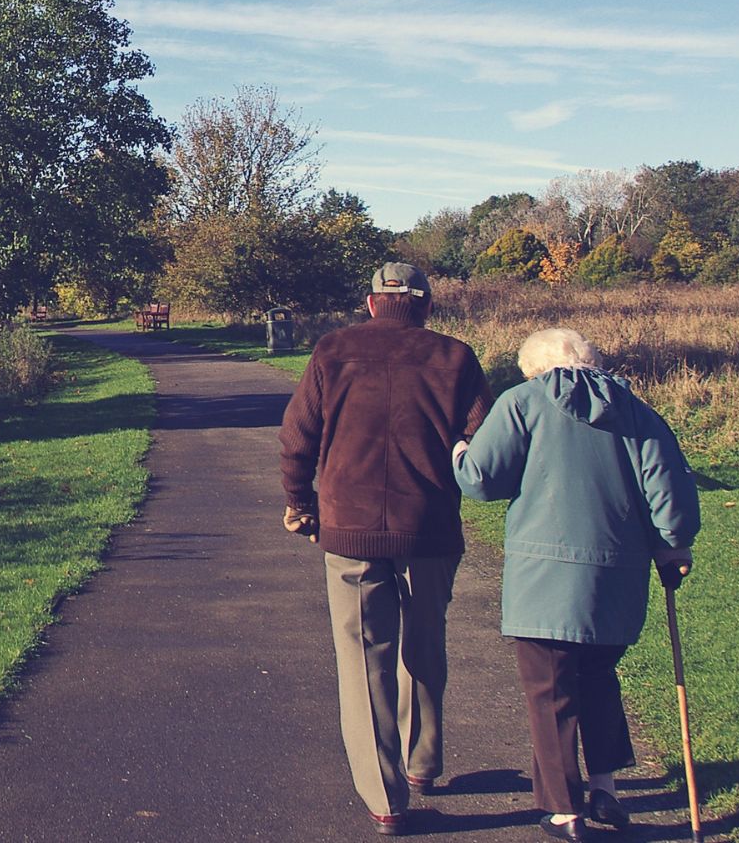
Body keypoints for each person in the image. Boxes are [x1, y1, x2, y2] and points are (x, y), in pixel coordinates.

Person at [452, 328, 700, 842]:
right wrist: (673, 545)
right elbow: (670, 500)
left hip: (543, 579)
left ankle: (565, 810)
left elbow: (481, 478)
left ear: (535, 369)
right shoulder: (637, 411)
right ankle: (605, 788)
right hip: (617, 579)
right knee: (598, 677)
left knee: (550, 690)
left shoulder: (522, 402)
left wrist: (459, 452)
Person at [279, 262, 494, 836]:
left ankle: (385, 798)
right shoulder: (455, 357)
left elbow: (297, 435)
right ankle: (422, 761)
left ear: (372, 303)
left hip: (348, 528)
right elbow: (482, 441)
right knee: (425, 642)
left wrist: (300, 502)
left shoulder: (333, 350)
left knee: (363, 658)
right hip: (430, 527)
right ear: (426, 304)